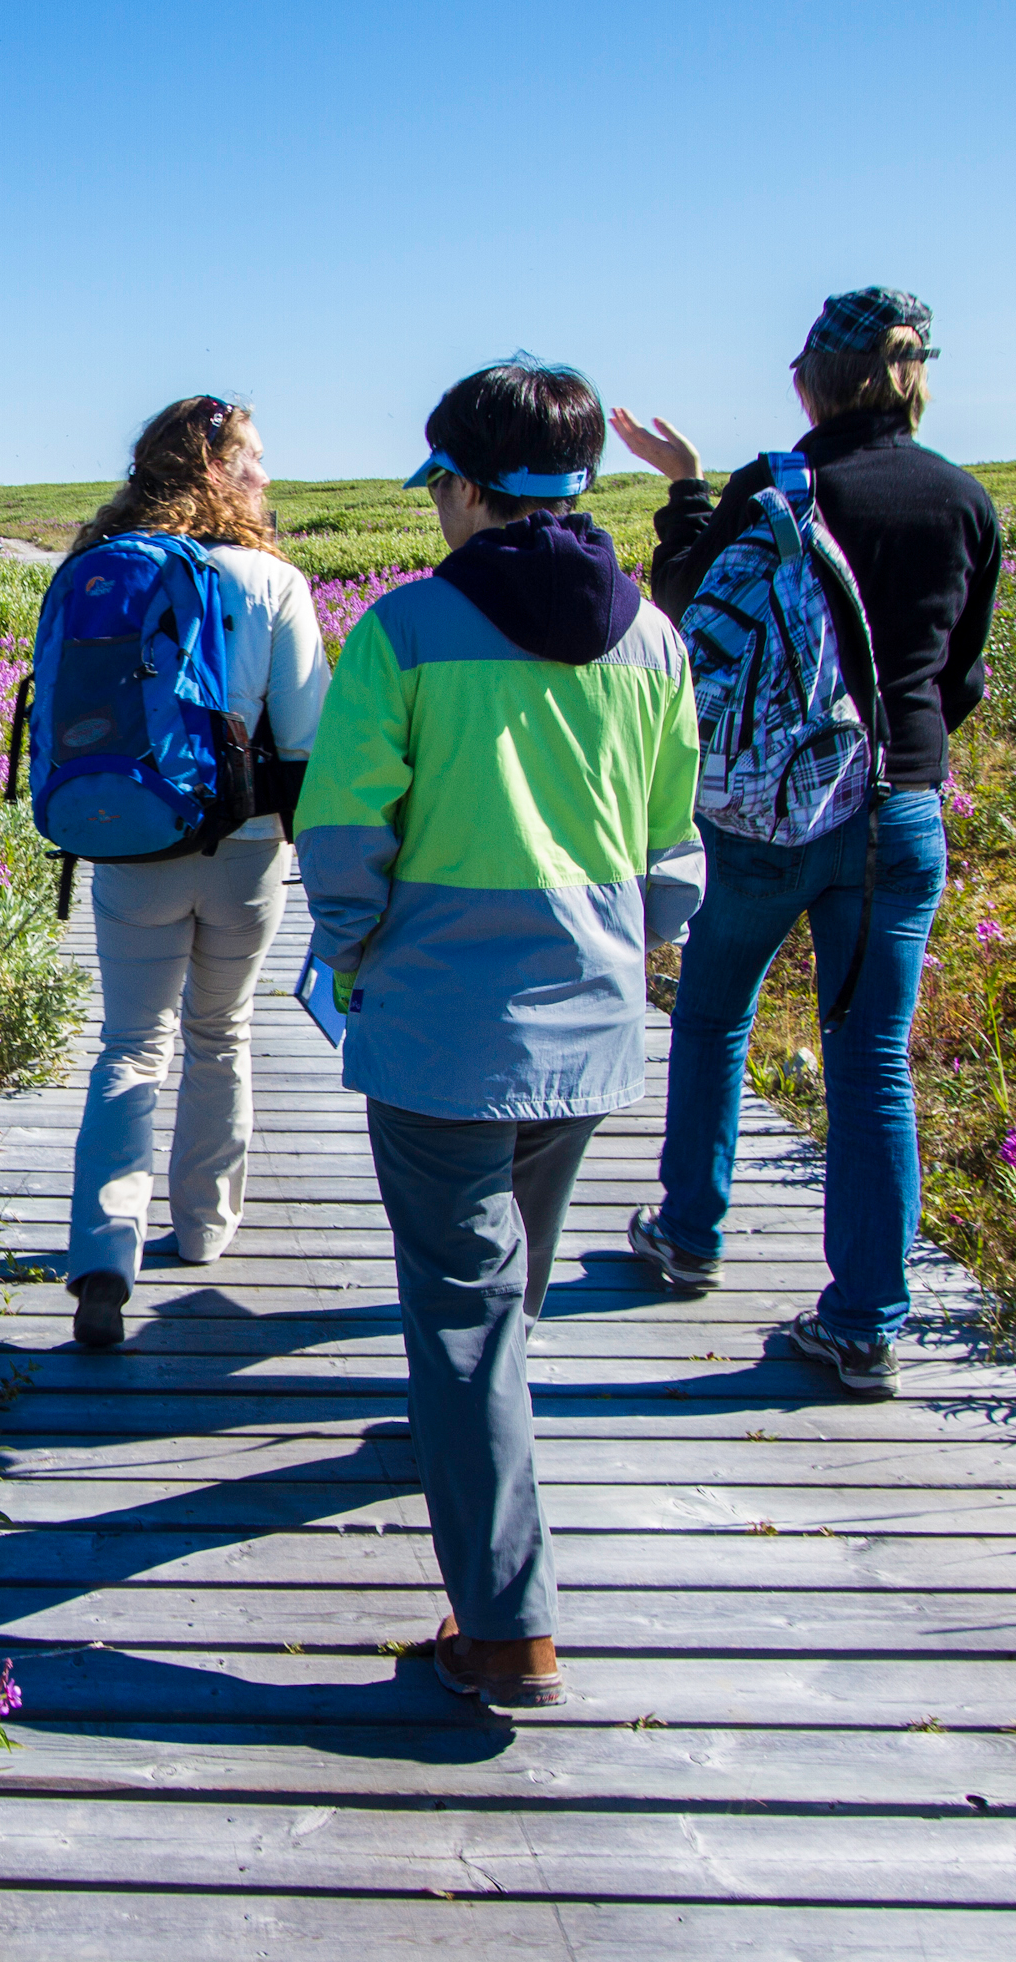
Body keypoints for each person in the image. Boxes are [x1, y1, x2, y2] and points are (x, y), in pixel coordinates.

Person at [297, 358, 703, 1707]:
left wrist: (351, 957)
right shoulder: (654, 640)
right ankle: (466, 1455)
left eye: (439, 490)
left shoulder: (404, 634)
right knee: (509, 1288)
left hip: (436, 1036)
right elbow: (672, 850)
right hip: (589, 1032)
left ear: (470, 489)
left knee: (464, 1315)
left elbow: (345, 835)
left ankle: (509, 1627)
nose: (435, 514)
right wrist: (624, 954)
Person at [612, 286, 1001, 1401]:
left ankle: (688, 1232)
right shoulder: (965, 502)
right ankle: (866, 1321)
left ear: (807, 383)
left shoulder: (778, 485)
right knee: (872, 1055)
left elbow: (687, 609)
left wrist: (683, 489)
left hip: (774, 814)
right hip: (899, 812)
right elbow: (957, 674)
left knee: (715, 1006)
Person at [61, 397, 331, 1350]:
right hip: (247, 851)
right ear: (216, 469)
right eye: (254, 457)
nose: (267, 473)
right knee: (220, 1032)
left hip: (130, 842)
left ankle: (101, 1253)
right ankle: (205, 1229)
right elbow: (308, 743)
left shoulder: (99, 567)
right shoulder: (272, 580)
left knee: (131, 1042)